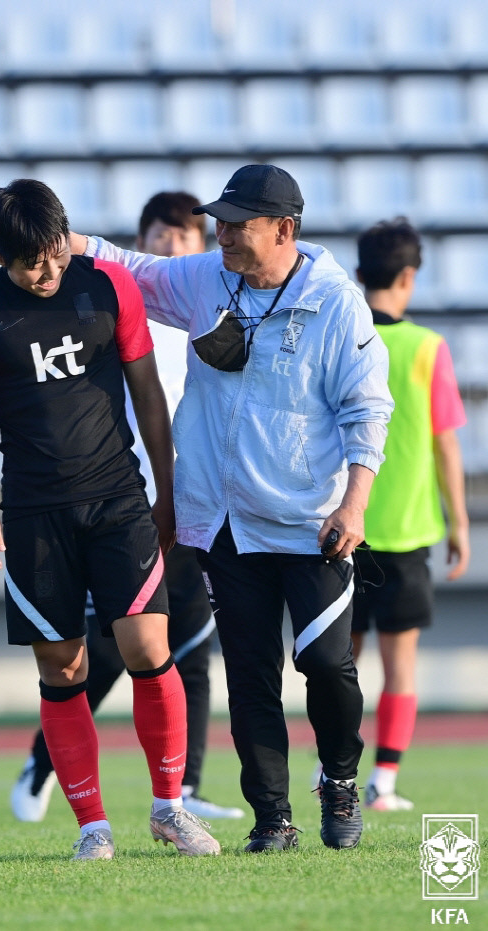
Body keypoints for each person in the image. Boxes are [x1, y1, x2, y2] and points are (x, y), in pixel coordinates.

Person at [68, 163, 394, 852]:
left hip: (312, 524)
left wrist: (355, 504)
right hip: (223, 523)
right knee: (248, 678)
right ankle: (271, 815)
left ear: (283, 229)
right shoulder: (206, 278)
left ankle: (338, 778)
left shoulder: (336, 303)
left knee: (327, 663)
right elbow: (134, 270)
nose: (221, 235)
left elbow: (367, 411)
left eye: (237, 224)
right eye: (219, 221)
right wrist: (59, 239)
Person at [0, 178, 220, 860]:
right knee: (63, 667)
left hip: (119, 499)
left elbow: (148, 392)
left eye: (55, 253)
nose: (48, 269)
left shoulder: (109, 285)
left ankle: (169, 808)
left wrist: (167, 486)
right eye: (31, 261)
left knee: (147, 649)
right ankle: (92, 827)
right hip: (34, 512)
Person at [10, 191, 244, 824]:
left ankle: (182, 789)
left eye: (184, 238)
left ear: (200, 249)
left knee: (188, 642)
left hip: (190, 491)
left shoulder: (206, 315)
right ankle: (44, 760)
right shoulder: (114, 300)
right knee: (120, 643)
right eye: (160, 236)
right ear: (145, 242)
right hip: (117, 493)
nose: (172, 246)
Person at [353, 217, 470, 810]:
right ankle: (385, 784)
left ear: (357, 275)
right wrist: (460, 524)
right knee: (399, 666)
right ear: (409, 276)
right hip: (406, 532)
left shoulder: (344, 337)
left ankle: (335, 776)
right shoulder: (428, 348)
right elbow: (447, 444)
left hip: (341, 530)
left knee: (337, 666)